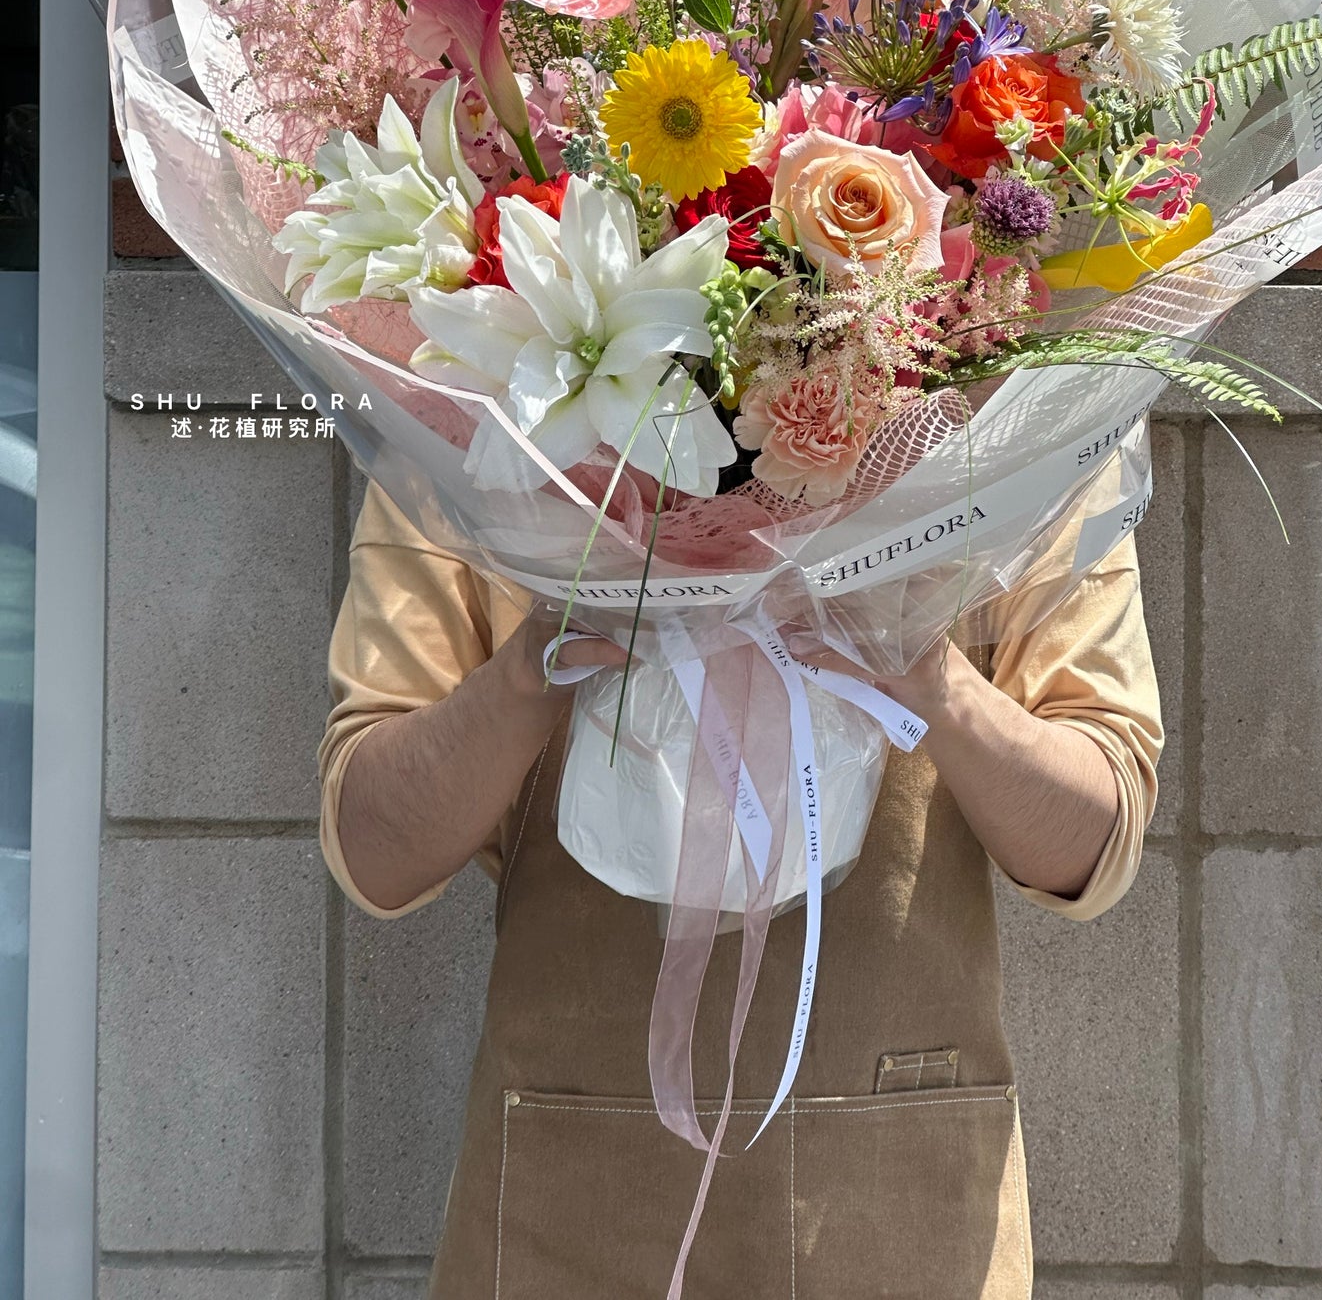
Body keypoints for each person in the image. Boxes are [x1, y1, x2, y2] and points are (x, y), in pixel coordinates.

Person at [321, 480, 1162, 1299]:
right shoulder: (479, 432)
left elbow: (1095, 839)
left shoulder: (1017, 435)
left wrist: (932, 676)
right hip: (576, 1183)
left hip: (894, 1191)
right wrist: (536, 663)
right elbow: (373, 851)